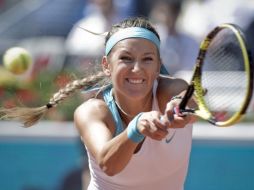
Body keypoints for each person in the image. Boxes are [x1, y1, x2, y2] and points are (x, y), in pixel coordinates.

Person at [0, 17, 196, 190]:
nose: (137, 69)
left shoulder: (172, 89)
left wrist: (181, 107)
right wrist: (136, 127)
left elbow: (188, 102)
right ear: (106, 65)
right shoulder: (92, 111)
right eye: (126, 58)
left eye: (147, 59)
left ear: (157, 66)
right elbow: (108, 164)